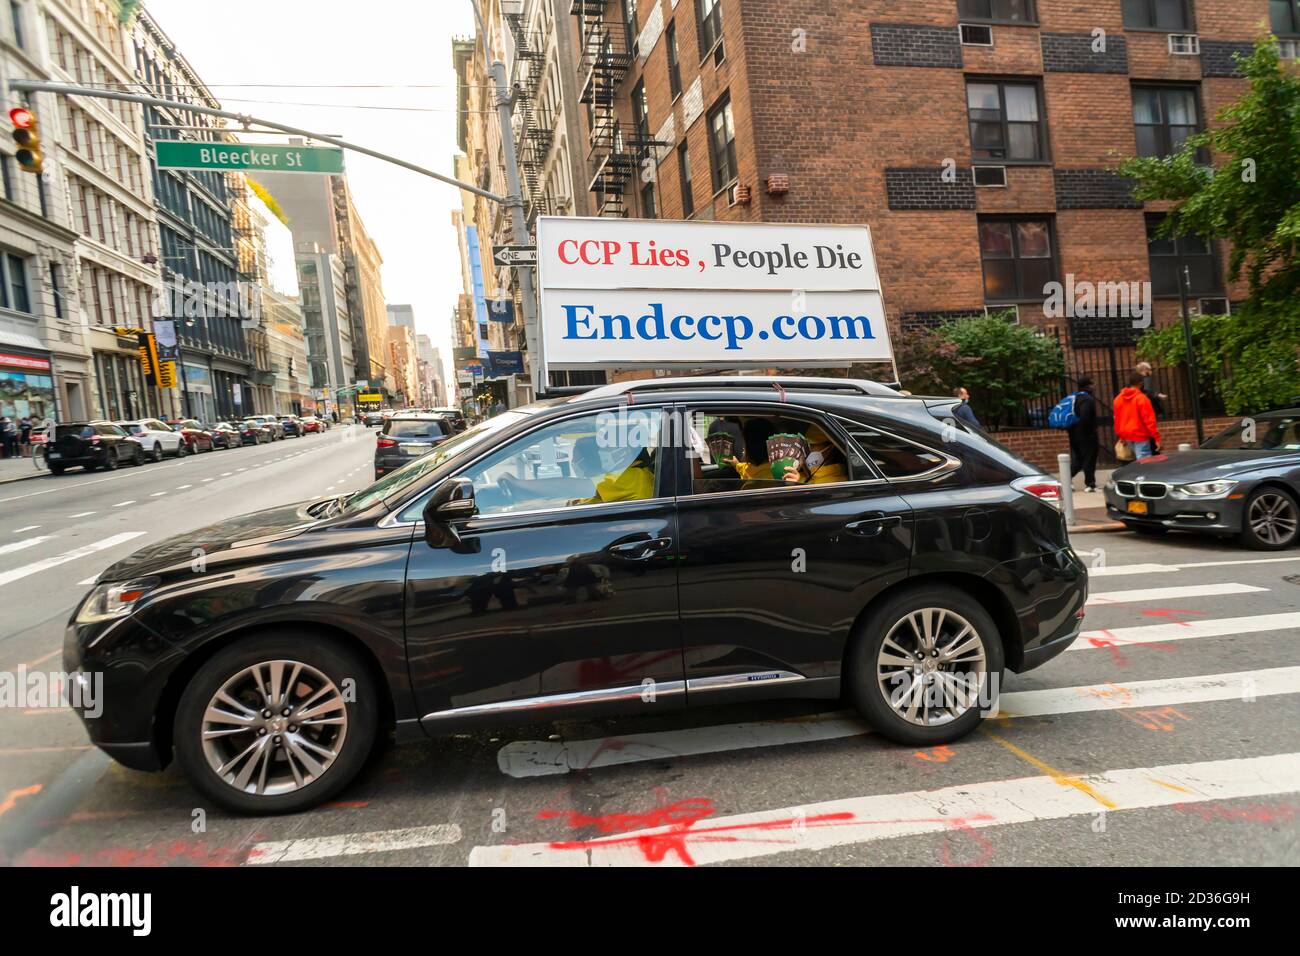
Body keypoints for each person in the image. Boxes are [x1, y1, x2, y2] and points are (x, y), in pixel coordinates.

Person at [571, 437, 655, 504]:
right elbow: (596, 501)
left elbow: (571, 487)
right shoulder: (639, 472)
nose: (600, 452)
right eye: (600, 448)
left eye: (607, 447)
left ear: (624, 452)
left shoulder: (627, 478)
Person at [1114, 372, 1161, 460]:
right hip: (1140, 434)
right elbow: (1149, 420)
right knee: (1144, 462)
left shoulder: (1118, 399)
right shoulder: (1142, 399)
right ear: (1141, 383)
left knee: (1137, 462)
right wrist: (1156, 438)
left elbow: (1117, 419)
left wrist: (1121, 436)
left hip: (1126, 434)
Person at [782, 423, 850, 485]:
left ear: (830, 448)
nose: (805, 451)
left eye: (812, 446)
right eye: (805, 446)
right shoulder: (798, 475)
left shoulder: (840, 482)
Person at [1067, 377, 1099, 492]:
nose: (1094, 387)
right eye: (1092, 384)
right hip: (1086, 435)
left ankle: (1066, 480)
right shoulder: (1087, 399)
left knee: (1079, 459)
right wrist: (1091, 430)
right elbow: (1085, 417)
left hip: (1073, 433)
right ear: (1088, 386)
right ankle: (1090, 484)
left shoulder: (1075, 398)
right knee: (1089, 458)